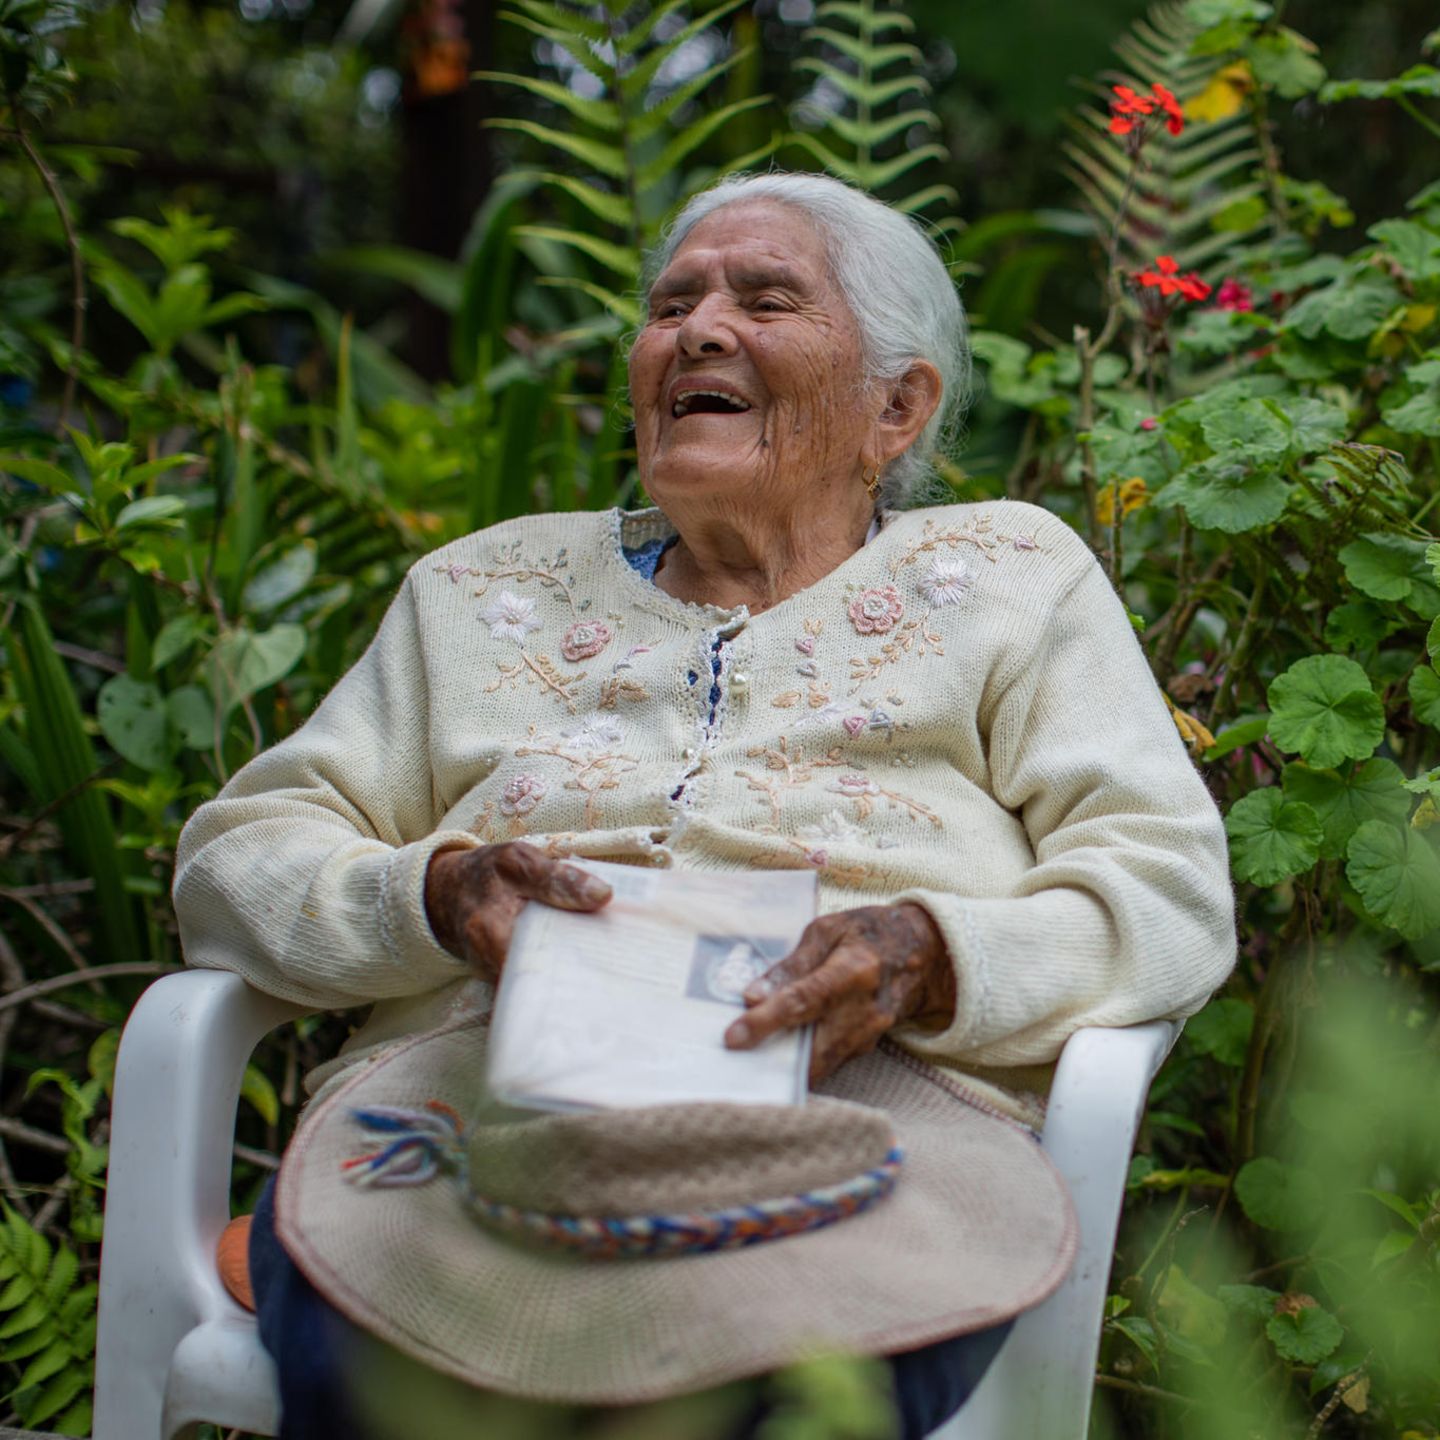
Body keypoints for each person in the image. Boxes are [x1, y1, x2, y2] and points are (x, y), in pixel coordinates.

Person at [173, 171, 1236, 1438]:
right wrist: (439, 893)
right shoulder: (480, 590)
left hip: (870, 1113)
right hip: (475, 1107)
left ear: (895, 408)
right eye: (673, 305)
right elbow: (236, 860)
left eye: (765, 300)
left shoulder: (1012, 579)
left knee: (787, 1391)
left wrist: (927, 954)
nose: (700, 331)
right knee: (391, 1365)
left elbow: (1168, 885)